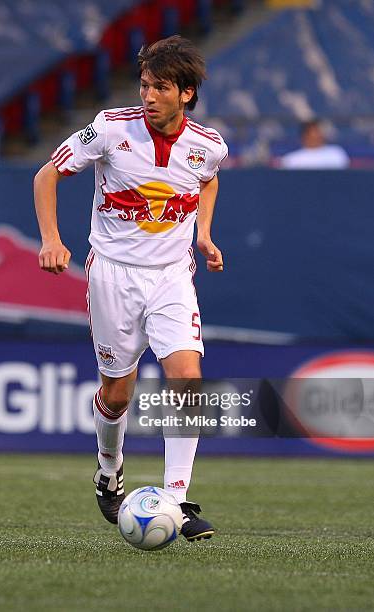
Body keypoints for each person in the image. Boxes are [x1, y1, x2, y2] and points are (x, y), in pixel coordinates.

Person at [33, 35, 228, 541]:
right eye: (144, 84)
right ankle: (108, 468)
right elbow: (45, 175)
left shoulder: (207, 146)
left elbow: (208, 178)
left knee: (187, 377)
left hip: (170, 276)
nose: (149, 95)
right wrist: (52, 241)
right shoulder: (109, 130)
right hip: (112, 275)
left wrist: (203, 233)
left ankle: (177, 501)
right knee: (117, 395)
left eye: (161, 87)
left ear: (186, 93)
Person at [280, 119, 349, 169]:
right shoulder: (291, 160)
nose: (318, 135)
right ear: (304, 136)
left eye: (319, 132)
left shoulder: (336, 153)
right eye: (314, 132)